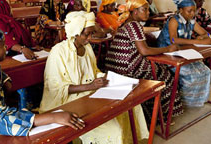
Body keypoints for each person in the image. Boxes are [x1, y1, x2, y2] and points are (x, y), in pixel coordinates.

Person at [0, 23, 84, 144]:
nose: (6, 46)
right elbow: (0, 120)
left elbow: (7, 85)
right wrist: (53, 117)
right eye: (1, 44)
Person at [39, 11, 149, 143]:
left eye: (91, 33)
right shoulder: (59, 51)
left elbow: (94, 71)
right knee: (114, 129)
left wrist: (106, 78)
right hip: (68, 100)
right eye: (86, 34)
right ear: (76, 32)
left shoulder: (87, 48)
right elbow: (55, 88)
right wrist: (90, 86)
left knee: (130, 105)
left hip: (89, 92)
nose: (90, 38)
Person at [105, 0, 183, 123]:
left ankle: (150, 113)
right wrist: (168, 49)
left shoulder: (126, 24)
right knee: (166, 76)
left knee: (157, 69)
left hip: (116, 67)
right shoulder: (134, 25)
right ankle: (160, 117)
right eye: (145, 10)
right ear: (135, 11)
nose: (148, 13)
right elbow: (144, 51)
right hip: (128, 68)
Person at [157, 0, 211, 107]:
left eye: (193, 11)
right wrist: (197, 41)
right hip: (167, 53)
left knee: (205, 71)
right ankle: (184, 102)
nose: (192, 14)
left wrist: (205, 37)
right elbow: (173, 39)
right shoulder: (173, 20)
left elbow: (206, 34)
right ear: (181, 10)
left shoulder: (191, 21)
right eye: (189, 11)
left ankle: (198, 100)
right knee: (191, 74)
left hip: (183, 52)